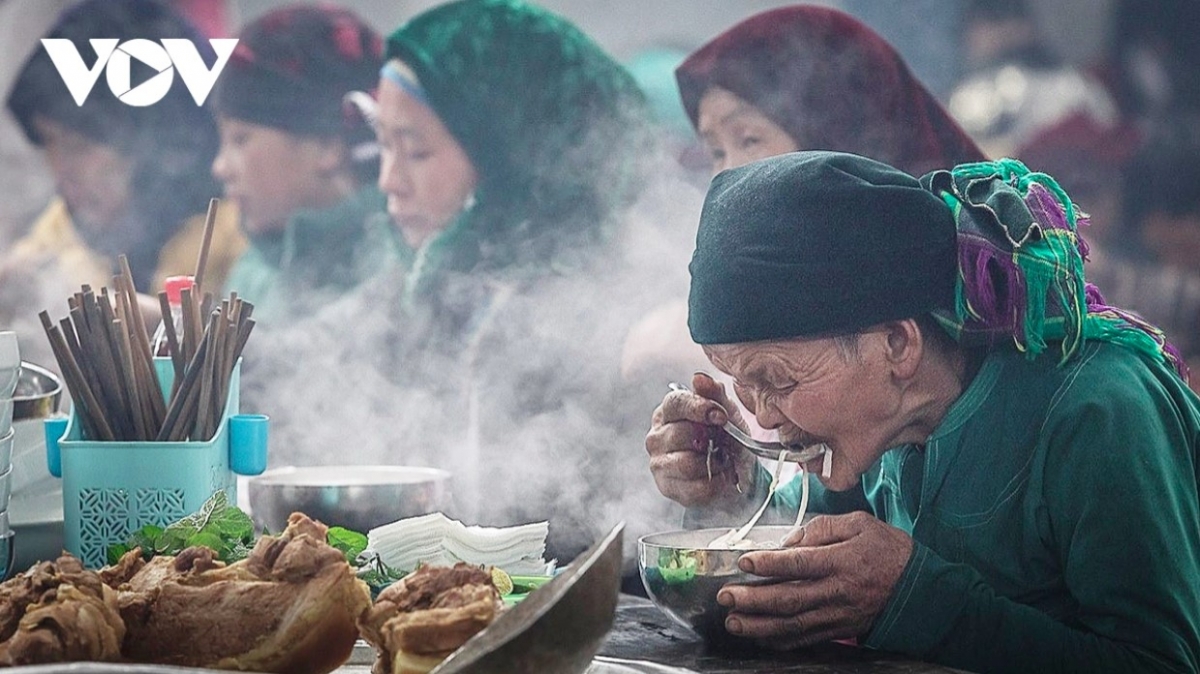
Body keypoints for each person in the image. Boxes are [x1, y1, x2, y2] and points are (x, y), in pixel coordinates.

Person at [646, 151, 1200, 672]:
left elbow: (1163, 663)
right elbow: (805, 535)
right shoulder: (877, 436)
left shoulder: (1099, 413)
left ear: (896, 344)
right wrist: (734, 488)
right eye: (740, 381)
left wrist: (916, 600)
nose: (763, 418)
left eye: (778, 381)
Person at [246, 0, 680, 565]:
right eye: (384, 146)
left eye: (417, 151)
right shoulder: (427, 286)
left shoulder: (622, 315)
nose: (388, 182)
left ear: (514, 156)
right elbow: (297, 364)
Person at [622, 4, 987, 383]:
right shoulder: (739, 317)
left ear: (835, 139)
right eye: (714, 152)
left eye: (748, 139)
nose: (724, 179)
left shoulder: (975, 301)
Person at [2, 0, 244, 295]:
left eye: (79, 147)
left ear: (160, 149)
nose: (60, 169)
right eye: (49, 143)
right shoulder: (68, 226)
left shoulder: (242, 234)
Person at [210, 4, 401, 323]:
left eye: (240, 139)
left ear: (326, 145)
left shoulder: (396, 259)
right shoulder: (255, 271)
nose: (220, 167)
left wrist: (190, 340)